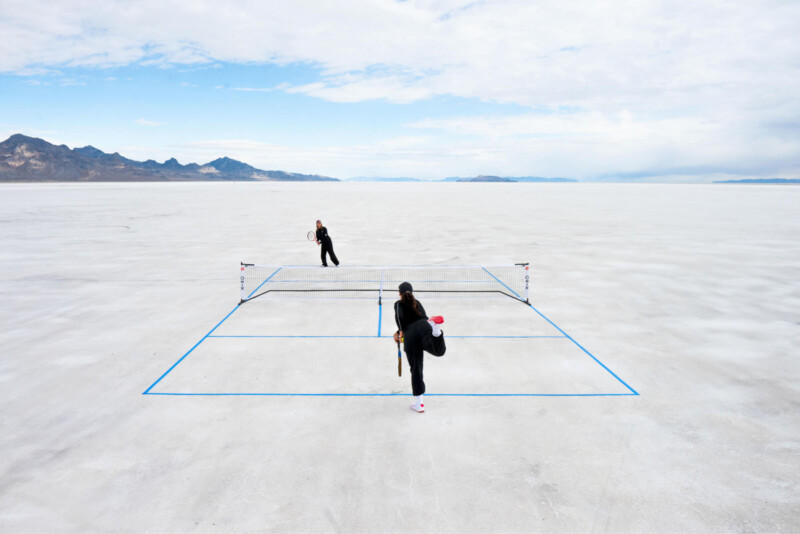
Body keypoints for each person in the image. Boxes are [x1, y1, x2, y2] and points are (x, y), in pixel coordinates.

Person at [393, 281, 445, 413]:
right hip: (425, 325)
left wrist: (399, 331)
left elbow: (399, 318)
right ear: (411, 292)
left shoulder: (398, 304)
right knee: (438, 351)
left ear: (399, 293)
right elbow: (421, 317)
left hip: (411, 335)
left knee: (416, 368)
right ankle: (436, 330)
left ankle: (419, 403)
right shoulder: (417, 302)